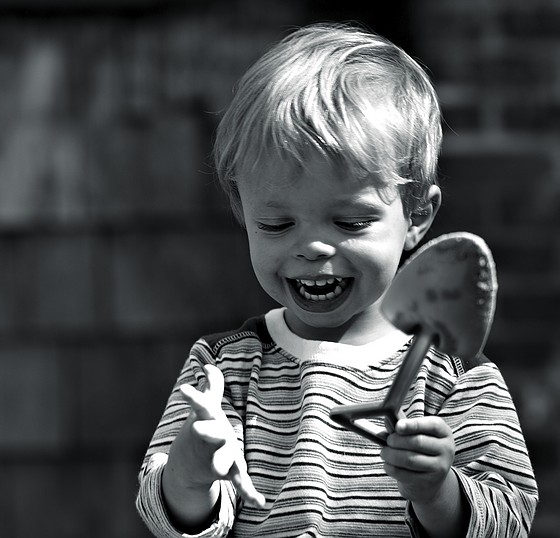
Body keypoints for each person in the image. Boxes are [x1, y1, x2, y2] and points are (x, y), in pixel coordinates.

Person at [136, 22, 538, 537]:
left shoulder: (455, 372)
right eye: (277, 225)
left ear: (416, 214)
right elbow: (166, 518)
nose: (311, 247)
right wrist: (191, 475)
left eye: (349, 223)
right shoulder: (224, 368)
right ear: (241, 211)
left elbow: (511, 518)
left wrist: (439, 493)